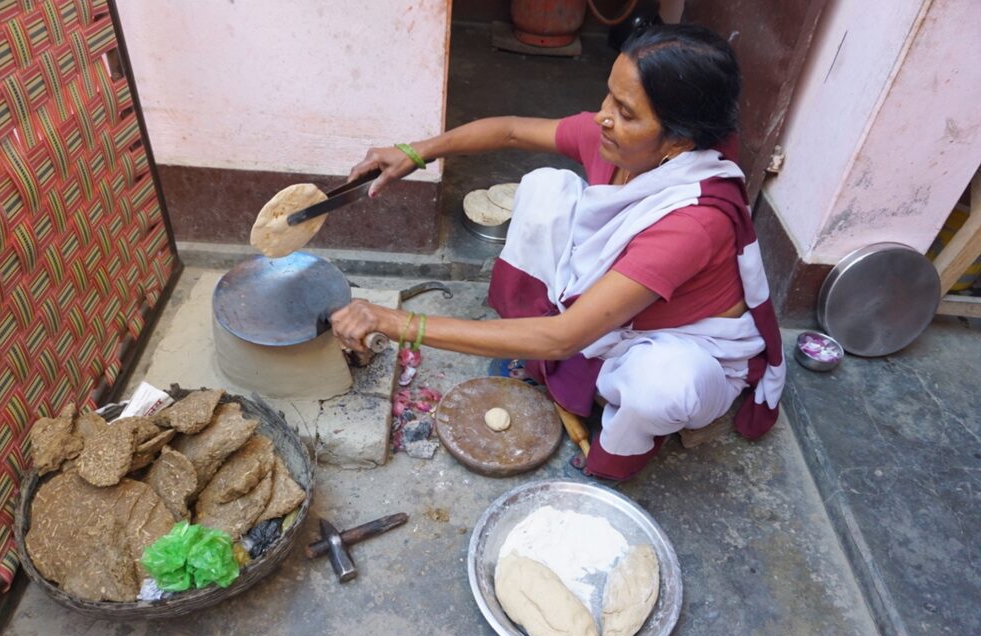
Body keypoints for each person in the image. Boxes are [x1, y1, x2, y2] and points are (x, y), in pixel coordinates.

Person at [331, 22, 785, 481]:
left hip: (679, 346)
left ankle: (623, 435)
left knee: (662, 386)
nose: (603, 117)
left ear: (679, 142)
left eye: (626, 113)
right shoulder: (619, 146)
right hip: (613, 317)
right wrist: (416, 152)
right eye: (609, 96)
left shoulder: (692, 222)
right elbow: (510, 132)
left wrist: (399, 323)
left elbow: (566, 336)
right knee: (546, 188)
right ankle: (544, 357)